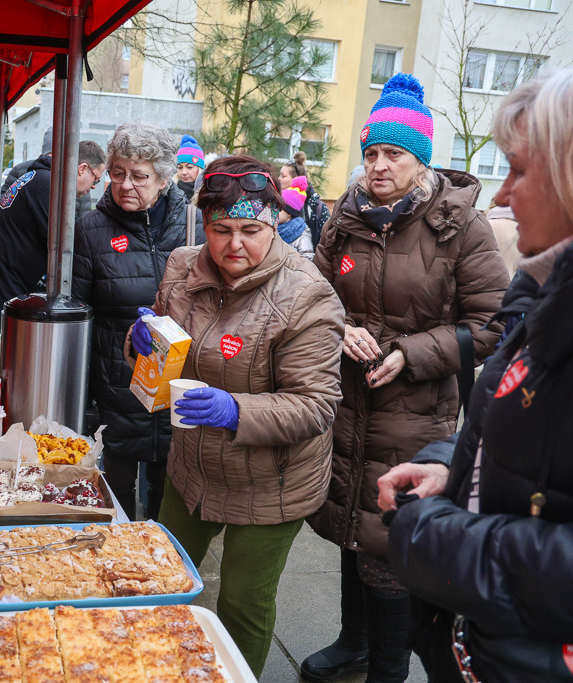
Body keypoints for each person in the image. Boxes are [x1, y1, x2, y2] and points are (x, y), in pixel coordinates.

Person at [302, 73, 510, 683]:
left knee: (389, 535)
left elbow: (495, 322)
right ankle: (353, 642)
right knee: (348, 523)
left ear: (421, 162)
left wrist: (412, 353)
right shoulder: (346, 217)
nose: (378, 166)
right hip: (348, 400)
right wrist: (340, 329)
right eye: (370, 153)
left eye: (393, 154)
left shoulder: (462, 228)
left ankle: (387, 670)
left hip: (415, 407)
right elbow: (314, 293)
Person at [378, 67, 573, 683]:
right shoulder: (548, 288)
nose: (501, 193)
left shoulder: (469, 232)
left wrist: (442, 539)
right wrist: (455, 470)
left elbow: (479, 325)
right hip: (489, 649)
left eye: (518, 170)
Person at [127, 155, 345, 676]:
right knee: (161, 578)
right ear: (204, 225)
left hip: (271, 482)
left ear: (275, 223)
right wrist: (143, 344)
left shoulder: (307, 295)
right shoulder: (182, 267)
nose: (234, 245)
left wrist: (234, 409)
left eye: (251, 229)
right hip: (192, 466)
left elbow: (315, 405)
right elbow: (166, 348)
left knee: (243, 603)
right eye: (220, 230)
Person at [72, 121, 206, 520]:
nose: (125, 184)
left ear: (164, 179)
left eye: (139, 176)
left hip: (182, 379)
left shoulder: (193, 227)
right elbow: (80, 312)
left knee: (170, 489)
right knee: (116, 494)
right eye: (117, 173)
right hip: (117, 383)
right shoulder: (92, 229)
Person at [0, 140, 106, 332]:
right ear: (82, 169)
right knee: (9, 352)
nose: (95, 186)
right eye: (96, 179)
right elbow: (68, 244)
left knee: (1, 345)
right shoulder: (49, 188)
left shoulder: (41, 178)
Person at [279, 150, 331, 246]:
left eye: (283, 176)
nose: (279, 179)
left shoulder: (316, 206)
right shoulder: (276, 199)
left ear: (297, 179)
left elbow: (325, 240)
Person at [278, 174, 315, 260]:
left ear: (289, 213)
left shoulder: (302, 236)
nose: (275, 211)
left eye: (279, 208)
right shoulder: (273, 229)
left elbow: (307, 261)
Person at [174, 134, 205, 200]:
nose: (184, 172)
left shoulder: (209, 193)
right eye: (180, 167)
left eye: (189, 167)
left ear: (199, 169)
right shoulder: (169, 192)